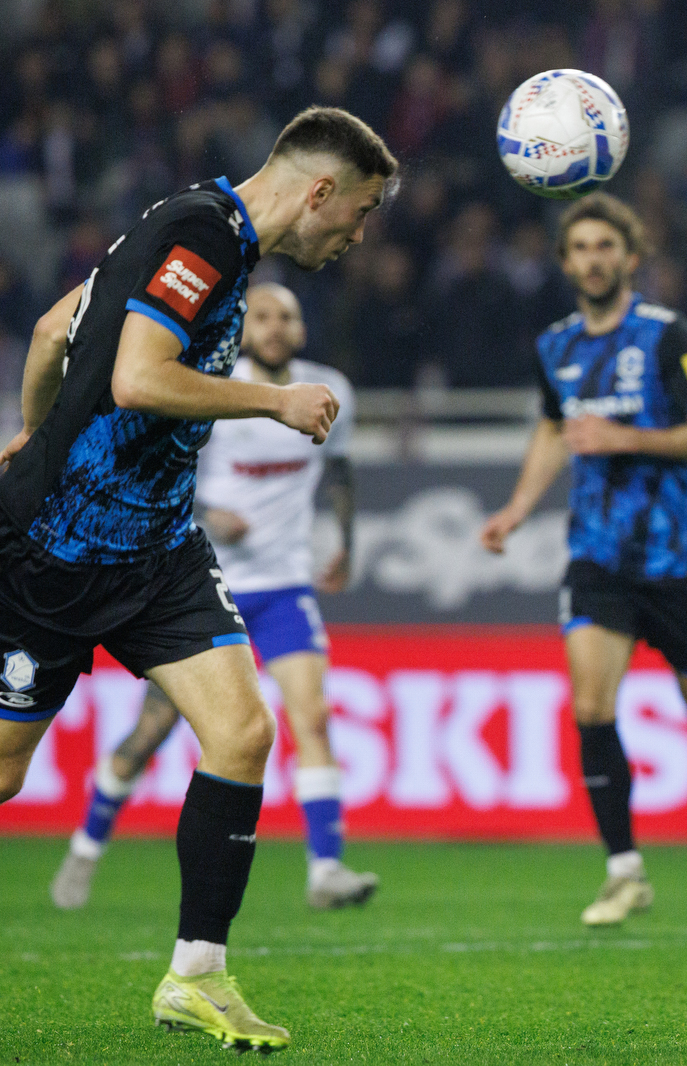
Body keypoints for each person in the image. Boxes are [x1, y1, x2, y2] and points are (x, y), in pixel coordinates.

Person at [0, 106, 395, 1052]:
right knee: (7, 773)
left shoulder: (195, 229)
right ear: (320, 192)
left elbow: (58, 328)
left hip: (159, 553)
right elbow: (139, 379)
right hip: (54, 554)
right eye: (364, 210)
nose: (361, 234)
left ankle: (197, 976)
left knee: (244, 731)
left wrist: (32, 427)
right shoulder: (200, 236)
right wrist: (274, 400)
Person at [479, 193, 687, 933]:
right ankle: (624, 871)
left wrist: (629, 439)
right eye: (579, 247)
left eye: (605, 246)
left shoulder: (668, 337)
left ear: (630, 256)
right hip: (598, 555)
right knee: (591, 704)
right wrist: (520, 505)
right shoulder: (555, 346)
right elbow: (556, 429)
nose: (593, 258)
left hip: (681, 558)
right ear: (565, 261)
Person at [49, 282, 377, 913]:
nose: (276, 327)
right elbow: (156, 471)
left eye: (288, 316)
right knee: (151, 733)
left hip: (283, 586)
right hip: (205, 590)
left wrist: (346, 541)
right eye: (263, 316)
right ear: (243, 327)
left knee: (310, 717)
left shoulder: (327, 390)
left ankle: (327, 869)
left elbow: (338, 467)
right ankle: (87, 847)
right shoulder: (215, 390)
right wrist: (209, 511)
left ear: (302, 329)